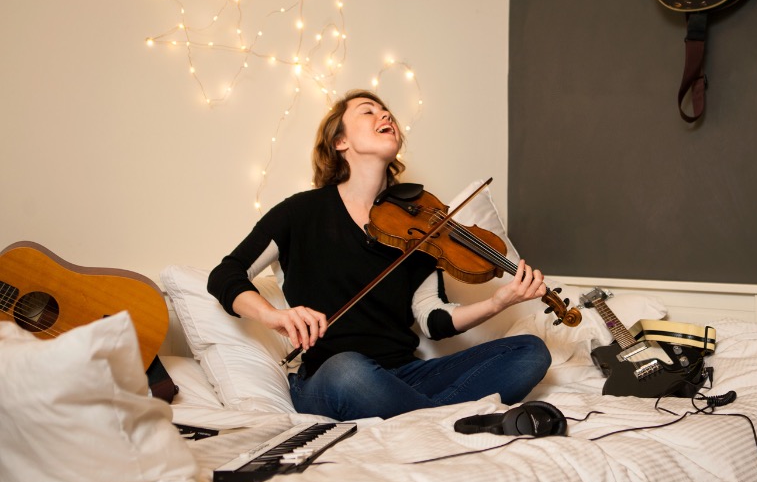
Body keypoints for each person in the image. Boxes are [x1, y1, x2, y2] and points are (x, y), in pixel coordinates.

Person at [207, 89, 552, 421]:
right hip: (332, 378)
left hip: (406, 375)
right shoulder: (299, 213)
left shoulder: (420, 224)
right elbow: (226, 274)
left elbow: (434, 320)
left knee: (529, 352)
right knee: (348, 369)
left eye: (386, 112)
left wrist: (498, 302)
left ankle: (420, 417)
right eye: (368, 111)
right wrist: (274, 316)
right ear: (340, 142)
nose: (385, 115)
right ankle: (439, 418)